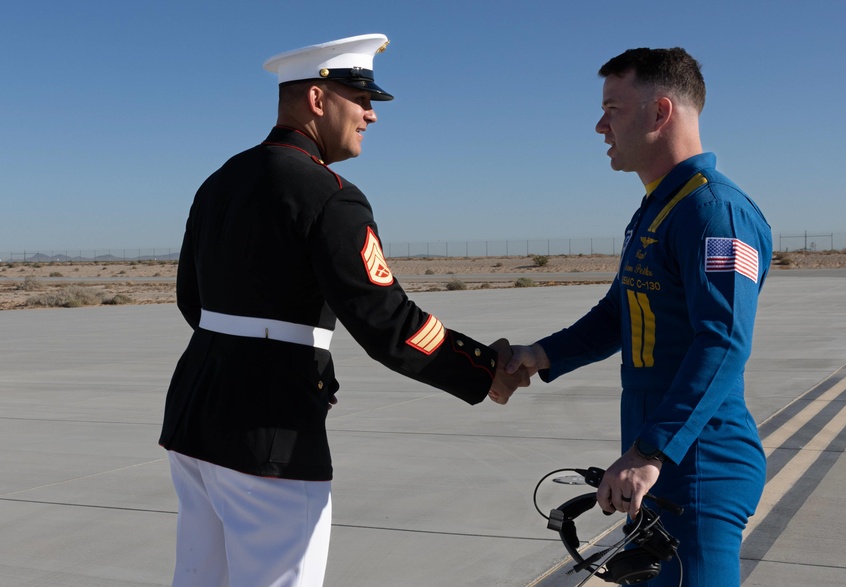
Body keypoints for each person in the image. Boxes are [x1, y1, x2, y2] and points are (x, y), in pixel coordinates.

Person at [159, 34, 527, 587]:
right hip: (273, 431)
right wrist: (482, 367)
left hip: (195, 416)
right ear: (316, 99)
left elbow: (192, 298)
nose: (371, 116)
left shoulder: (220, 181)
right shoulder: (331, 195)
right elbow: (387, 322)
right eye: (361, 100)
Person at [507, 47, 771, 586]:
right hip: (659, 459)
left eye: (614, 109)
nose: (600, 125)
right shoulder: (657, 208)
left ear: (660, 113)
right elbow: (617, 314)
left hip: (698, 463)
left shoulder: (715, 212)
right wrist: (536, 357)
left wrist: (650, 451)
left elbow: (722, 342)